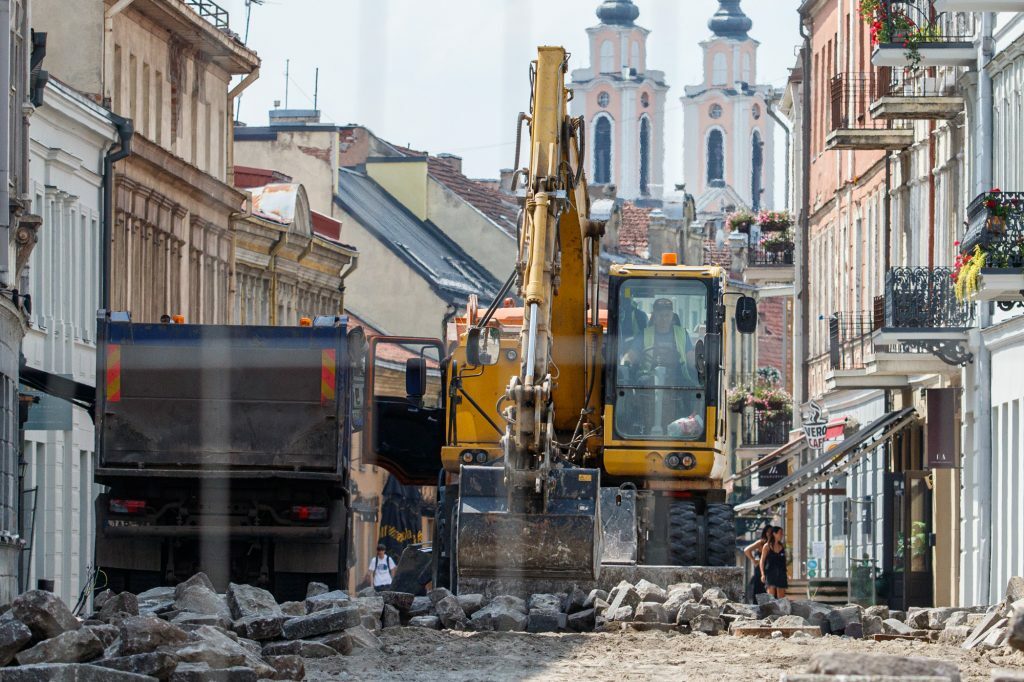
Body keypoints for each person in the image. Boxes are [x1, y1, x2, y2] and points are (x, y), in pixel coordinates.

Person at [620, 297, 701, 435]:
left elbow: (690, 357)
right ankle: (639, 421)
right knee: (638, 385)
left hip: (676, 375)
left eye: (667, 315)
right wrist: (625, 363)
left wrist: (700, 366)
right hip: (648, 377)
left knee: (689, 388)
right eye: (660, 315)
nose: (664, 319)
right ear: (654, 316)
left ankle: (685, 421)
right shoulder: (645, 334)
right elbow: (631, 354)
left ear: (672, 316)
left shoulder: (682, 334)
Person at [743, 524, 772, 603]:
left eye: (771, 532)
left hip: (770, 568)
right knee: (759, 587)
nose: (769, 533)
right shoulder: (761, 542)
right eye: (768, 532)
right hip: (760, 568)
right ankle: (757, 605)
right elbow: (746, 550)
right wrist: (753, 560)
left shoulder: (774, 543)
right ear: (765, 533)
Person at [759, 526, 788, 599]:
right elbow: (762, 561)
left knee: (781, 597)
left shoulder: (782, 546)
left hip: (781, 573)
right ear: (774, 534)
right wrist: (762, 574)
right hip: (770, 573)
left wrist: (786, 573)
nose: (782, 535)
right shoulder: (767, 546)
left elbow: (783, 561)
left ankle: (781, 610)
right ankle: (771, 610)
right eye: (780, 533)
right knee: (771, 597)